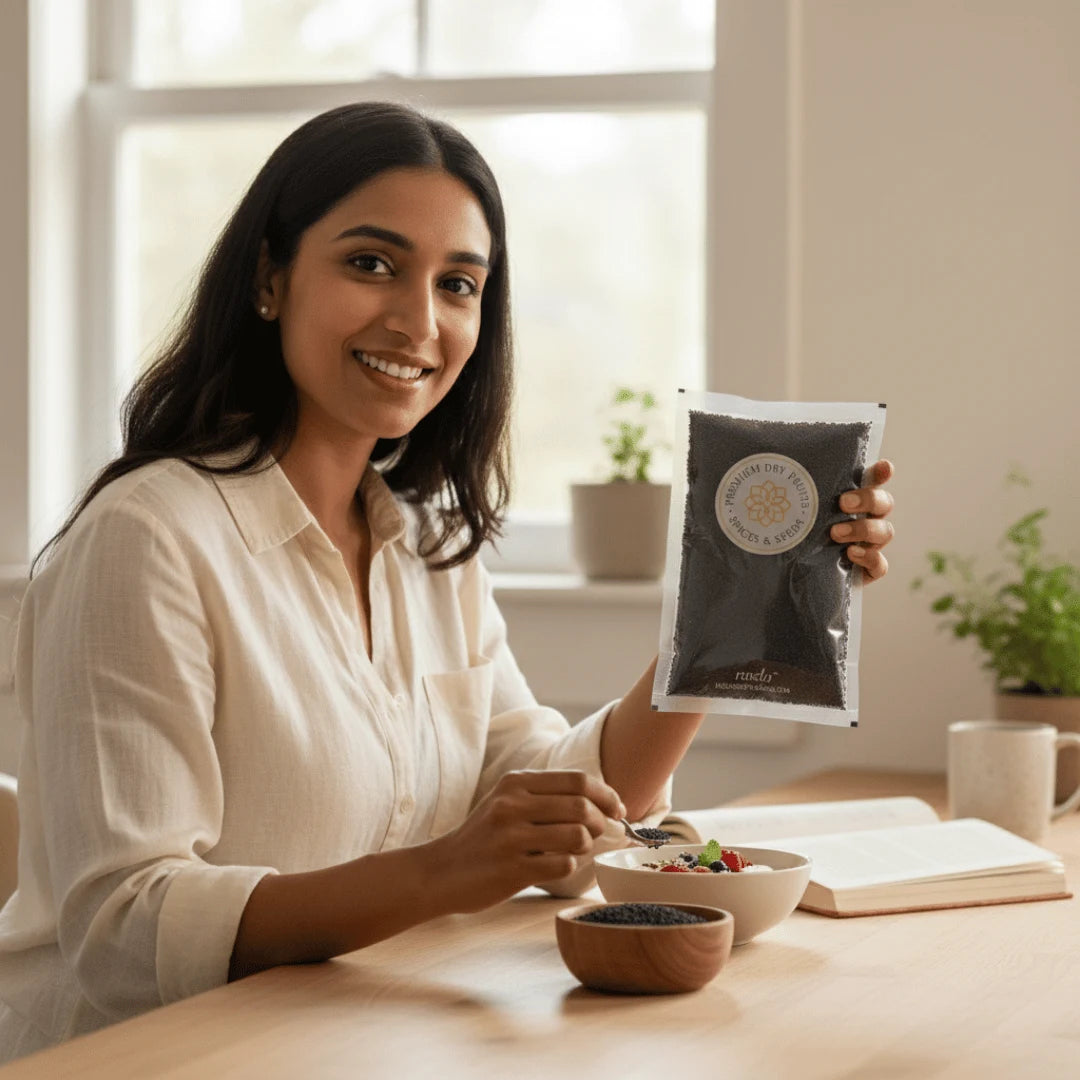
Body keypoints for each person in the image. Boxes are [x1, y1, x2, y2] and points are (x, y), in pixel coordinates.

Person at [0, 102, 895, 1060]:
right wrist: (448, 871)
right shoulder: (147, 539)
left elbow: (554, 813)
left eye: (458, 284)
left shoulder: (429, 548)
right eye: (370, 263)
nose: (419, 321)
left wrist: (739, 598)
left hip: (361, 1041)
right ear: (268, 278)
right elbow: (125, 927)